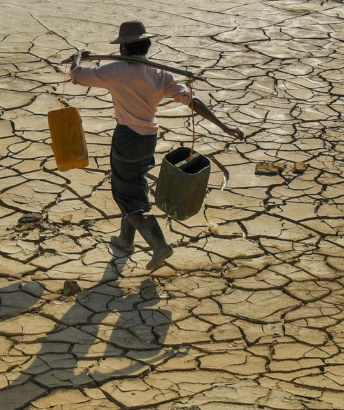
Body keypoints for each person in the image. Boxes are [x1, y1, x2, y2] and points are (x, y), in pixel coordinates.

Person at [70, 20, 244, 271]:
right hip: (148, 139)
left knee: (123, 191)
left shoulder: (115, 71)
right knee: (134, 184)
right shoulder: (161, 74)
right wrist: (223, 126)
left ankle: (159, 244)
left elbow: (77, 76)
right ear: (147, 46)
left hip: (127, 137)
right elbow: (191, 100)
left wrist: (77, 57)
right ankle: (125, 241)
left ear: (123, 50)